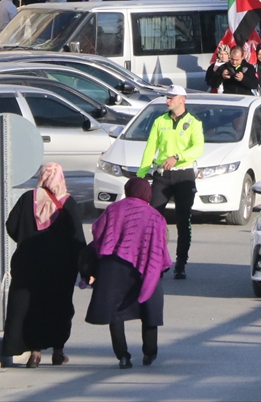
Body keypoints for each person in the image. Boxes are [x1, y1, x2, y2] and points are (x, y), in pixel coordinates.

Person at [84, 177, 172, 369]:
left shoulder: (113, 209)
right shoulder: (155, 216)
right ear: (147, 193)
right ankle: (149, 353)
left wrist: (104, 249)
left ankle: (123, 356)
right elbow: (160, 245)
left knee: (115, 312)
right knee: (149, 307)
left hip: (114, 265)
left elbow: (97, 230)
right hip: (146, 265)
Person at [3, 164, 84, 368]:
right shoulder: (68, 202)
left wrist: (25, 239)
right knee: (59, 307)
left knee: (32, 307)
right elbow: (77, 238)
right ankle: (58, 352)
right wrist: (84, 265)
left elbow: (11, 225)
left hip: (28, 264)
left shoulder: (27, 199)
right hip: (60, 267)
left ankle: (35, 353)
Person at [136, 86, 203, 280]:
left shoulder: (193, 123)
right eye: (167, 97)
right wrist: (140, 176)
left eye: (171, 98)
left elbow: (198, 148)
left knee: (183, 220)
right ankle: (156, 261)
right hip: (162, 175)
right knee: (154, 219)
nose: (168, 101)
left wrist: (177, 156)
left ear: (182, 99)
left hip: (184, 175)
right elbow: (150, 149)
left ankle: (180, 263)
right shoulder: (159, 121)